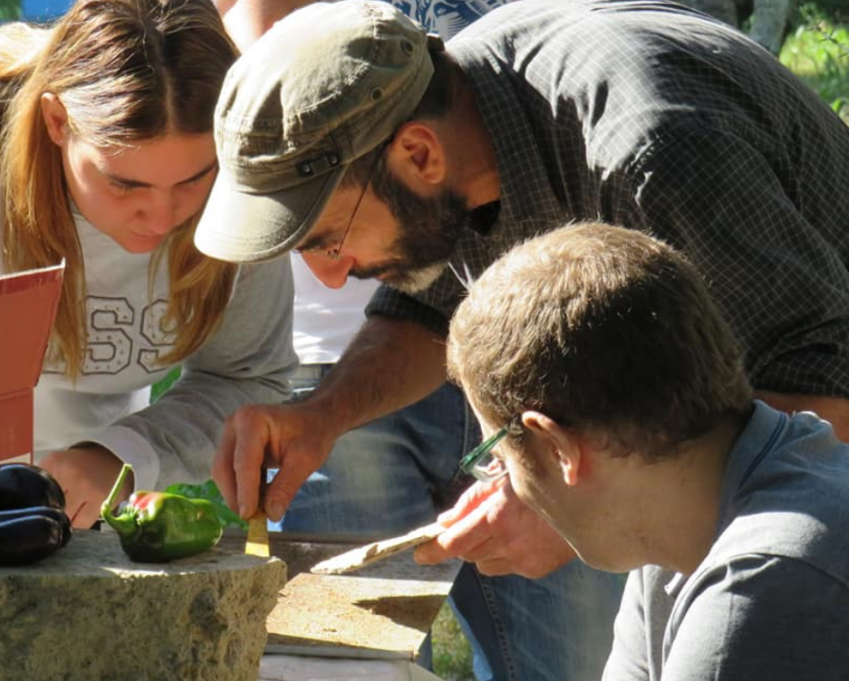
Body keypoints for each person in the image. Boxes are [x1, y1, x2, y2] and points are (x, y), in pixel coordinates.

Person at [194, 0, 849, 678]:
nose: (330, 278)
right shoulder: (469, 117)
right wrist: (321, 415)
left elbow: (827, 397)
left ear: (418, 153)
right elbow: (434, 300)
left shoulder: (651, 147)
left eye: (328, 239)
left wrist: (571, 499)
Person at [0, 0, 296, 528]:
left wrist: (122, 456)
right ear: (55, 121)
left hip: (67, 522)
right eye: (124, 183)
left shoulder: (237, 182)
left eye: (193, 178)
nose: (163, 216)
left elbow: (246, 375)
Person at [446, 221, 849, 680]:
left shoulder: (761, 586)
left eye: (497, 460)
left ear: (558, 448)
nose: (502, 481)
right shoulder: (670, 533)